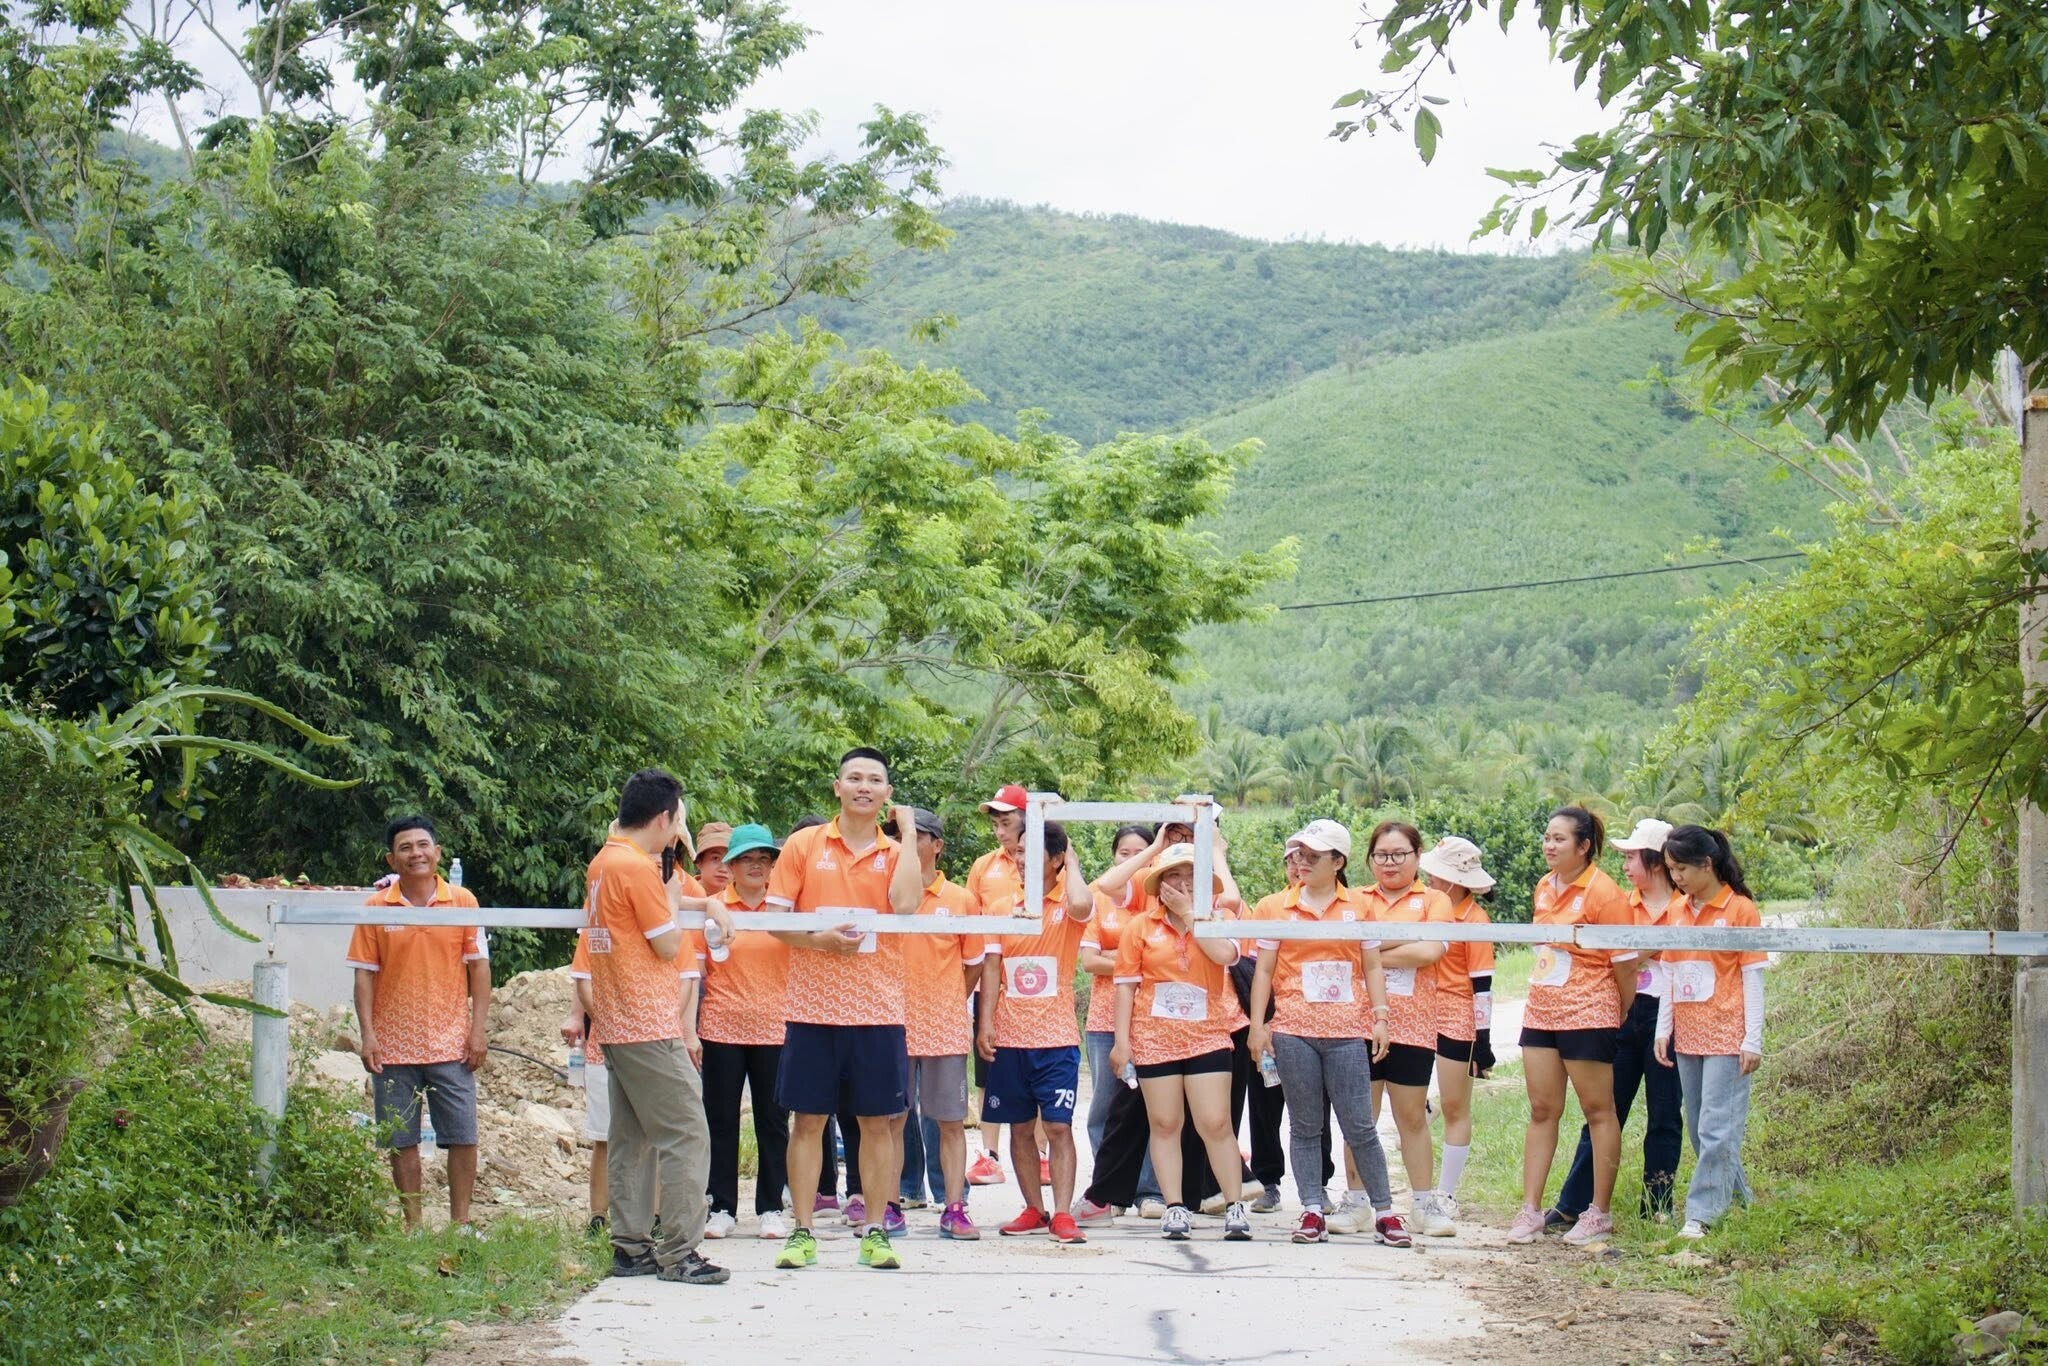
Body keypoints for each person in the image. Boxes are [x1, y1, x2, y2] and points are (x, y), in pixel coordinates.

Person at [767, 748, 924, 1272]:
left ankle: (876, 1231)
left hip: (878, 1008)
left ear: (886, 794)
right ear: (837, 787)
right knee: (807, 1120)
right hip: (812, 1009)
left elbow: (904, 905)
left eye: (875, 780)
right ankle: (803, 1232)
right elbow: (775, 921)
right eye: (853, 777)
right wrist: (822, 942)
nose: (863, 786)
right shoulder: (805, 845)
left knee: (877, 1123)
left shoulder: (894, 851)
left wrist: (903, 838)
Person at [581, 770, 734, 1285]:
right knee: (687, 1133)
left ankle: (629, 1247)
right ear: (666, 817)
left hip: (616, 1021)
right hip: (649, 1021)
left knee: (631, 1138)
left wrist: (699, 900)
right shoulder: (635, 868)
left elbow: (649, 912)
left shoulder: (604, 863)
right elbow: (667, 944)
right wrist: (682, 899)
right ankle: (679, 1253)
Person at [1246, 820, 1406, 1247]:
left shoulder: (1361, 907)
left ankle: (1386, 1212)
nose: (1301, 863)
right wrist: (1258, 1026)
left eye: (1312, 856)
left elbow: (1372, 965)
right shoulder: (1274, 907)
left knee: (1359, 1125)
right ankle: (1312, 1209)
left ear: (1338, 862)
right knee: (1305, 1125)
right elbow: (1263, 969)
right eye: (1297, 854)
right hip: (1294, 1029)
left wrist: (1381, 1018)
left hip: (1346, 1029)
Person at [347, 815, 492, 1233]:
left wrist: (477, 1030)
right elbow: (363, 974)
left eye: (423, 845)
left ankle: (460, 1223)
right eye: (406, 848)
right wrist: (368, 1035)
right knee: (400, 1138)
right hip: (392, 1045)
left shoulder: (463, 901)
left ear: (438, 853)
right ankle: (413, 1227)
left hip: (452, 1042)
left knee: (463, 1135)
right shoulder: (376, 907)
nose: (416, 854)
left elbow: (479, 968)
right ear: (393, 858)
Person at [1507, 806, 1638, 1247]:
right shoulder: (1544, 886)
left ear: (1584, 847)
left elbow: (1625, 966)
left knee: (1598, 1110)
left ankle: (1598, 1212)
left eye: (1560, 839)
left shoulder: (1606, 894)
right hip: (1542, 1008)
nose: (1550, 845)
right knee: (1542, 1109)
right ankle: (1530, 1210)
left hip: (1589, 1010)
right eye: (1547, 837)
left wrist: (1618, 1009)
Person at [1110, 843, 1253, 1242]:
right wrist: (1122, 1043)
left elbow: (1225, 954)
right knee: (1165, 1122)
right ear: (1159, 883)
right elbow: (1125, 987)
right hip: (1154, 1036)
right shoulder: (1140, 927)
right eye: (1173, 875)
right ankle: (1174, 1206)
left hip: (1207, 1034)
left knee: (1215, 1122)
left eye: (1191, 876)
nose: (1182, 883)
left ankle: (1234, 1203)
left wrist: (1192, 916)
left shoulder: (1218, 918)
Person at [1550, 818, 1684, 1229]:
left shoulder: (1683, 908)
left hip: (1671, 1015)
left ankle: (1657, 1203)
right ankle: (1574, 1203)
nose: (1626, 865)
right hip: (1624, 1009)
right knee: (1604, 1110)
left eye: (1633, 857)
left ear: (1657, 862)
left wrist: (1639, 951)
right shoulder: (1623, 905)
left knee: (1664, 1114)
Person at [965, 783, 1091, 1189]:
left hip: (1056, 1037)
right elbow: (990, 967)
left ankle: (1062, 1214)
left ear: (1055, 859)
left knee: (1057, 1127)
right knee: (1019, 1129)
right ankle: (1033, 1211)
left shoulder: (1066, 905)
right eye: (1017, 852)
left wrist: (1069, 858)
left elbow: (1083, 905)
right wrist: (985, 1025)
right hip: (1010, 1035)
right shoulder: (1004, 908)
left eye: (1030, 852)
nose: (1019, 860)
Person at [1656, 825, 1767, 1240]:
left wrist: (1751, 1038)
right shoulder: (1676, 909)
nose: (1677, 877)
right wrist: (1663, 1028)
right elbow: (1669, 970)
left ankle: (1701, 1214)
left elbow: (1753, 977)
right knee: (1699, 1124)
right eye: (1671, 869)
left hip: (1727, 1032)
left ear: (1708, 864)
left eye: (1682, 868)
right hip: (1689, 1032)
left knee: (1718, 1126)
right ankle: (1739, 1201)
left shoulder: (1740, 910)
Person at [884, 808, 988, 1239]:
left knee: (948, 1120)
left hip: (943, 1027)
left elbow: (974, 964)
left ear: (937, 845)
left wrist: (944, 1001)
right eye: (895, 838)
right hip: (890, 1023)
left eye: (916, 836)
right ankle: (887, 1206)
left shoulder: (961, 899)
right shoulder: (886, 895)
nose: (903, 844)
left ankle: (955, 1207)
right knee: (889, 1120)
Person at [1351, 820, 1456, 1237]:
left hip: (1413, 1026)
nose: (1390, 862)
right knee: (1361, 1118)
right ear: (1370, 859)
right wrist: (1398, 944)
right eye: (1381, 855)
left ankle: (1423, 1204)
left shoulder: (1435, 901)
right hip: (1358, 1023)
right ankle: (1358, 1202)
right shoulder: (1355, 899)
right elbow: (1346, 952)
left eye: (1399, 855)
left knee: (1411, 1116)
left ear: (1417, 857)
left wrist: (1372, 951)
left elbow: (1430, 951)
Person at [690, 823, 792, 1241]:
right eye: (746, 859)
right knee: (720, 1119)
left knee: (773, 1120)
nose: (755, 867)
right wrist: (689, 1030)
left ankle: (771, 1206)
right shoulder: (710, 908)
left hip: (775, 1027)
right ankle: (721, 1207)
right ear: (729, 865)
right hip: (721, 1025)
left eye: (763, 860)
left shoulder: (785, 910)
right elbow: (694, 972)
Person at [1075, 824, 1158, 1221]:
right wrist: (1137, 964)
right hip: (1105, 1018)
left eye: (1139, 852)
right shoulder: (1098, 897)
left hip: (1152, 1018)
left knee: (1150, 1106)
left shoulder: (1157, 895)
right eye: (1123, 852)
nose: (1130, 859)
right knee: (1106, 1107)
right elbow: (1089, 960)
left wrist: (1119, 960)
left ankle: (1148, 1190)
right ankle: (1107, 1189)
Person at [1420, 835, 1499, 1228]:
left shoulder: (1475, 921)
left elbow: (1482, 985)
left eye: (1436, 875)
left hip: (1457, 1011)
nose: (1430, 880)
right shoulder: (1426, 911)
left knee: (1456, 1106)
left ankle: (1446, 1192)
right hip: (1420, 1005)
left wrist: (1482, 1042)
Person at [693, 822, 734, 897]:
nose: (723, 869)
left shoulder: (740, 900)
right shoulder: (679, 893)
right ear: (699, 861)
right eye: (716, 858)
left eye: (730, 860)